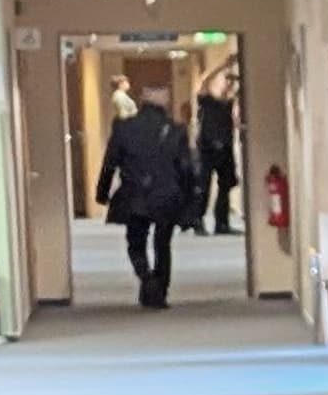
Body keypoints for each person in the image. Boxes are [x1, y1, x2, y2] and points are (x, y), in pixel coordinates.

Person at [96, 84, 196, 308]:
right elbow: (186, 169)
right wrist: (190, 203)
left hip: (135, 194)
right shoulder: (176, 130)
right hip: (167, 195)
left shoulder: (123, 127)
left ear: (142, 100)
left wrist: (102, 193)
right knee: (163, 243)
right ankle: (160, 289)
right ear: (166, 102)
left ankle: (146, 277)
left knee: (135, 242)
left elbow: (110, 163)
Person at [192, 62, 240, 235]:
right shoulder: (206, 100)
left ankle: (222, 223)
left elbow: (235, 122)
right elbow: (204, 81)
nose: (228, 84)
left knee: (225, 186)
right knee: (203, 186)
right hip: (207, 149)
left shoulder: (229, 104)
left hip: (225, 148)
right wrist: (224, 65)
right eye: (225, 80)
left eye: (231, 81)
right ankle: (197, 221)